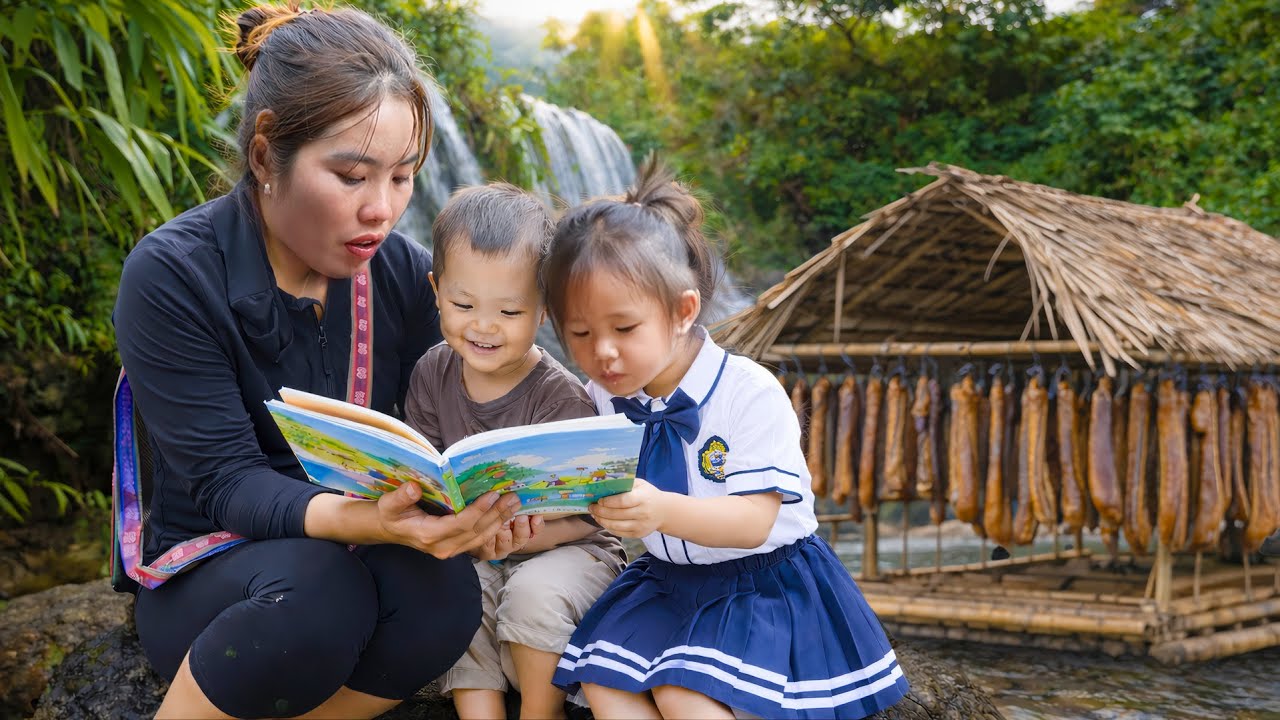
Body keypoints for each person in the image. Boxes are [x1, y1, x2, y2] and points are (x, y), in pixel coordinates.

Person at [112, 5, 531, 718]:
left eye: (402, 177)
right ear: (264, 154)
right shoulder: (172, 275)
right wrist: (373, 523)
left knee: (445, 593)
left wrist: (496, 498)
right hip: (214, 568)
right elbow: (224, 483)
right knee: (319, 590)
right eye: (351, 176)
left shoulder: (402, 274)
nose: (382, 209)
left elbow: (467, 407)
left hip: (349, 546)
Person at [541, 157, 912, 720]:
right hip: (669, 584)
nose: (603, 353)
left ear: (683, 311)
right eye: (581, 334)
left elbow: (754, 522)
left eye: (624, 329)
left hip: (762, 586)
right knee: (605, 683)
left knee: (683, 694)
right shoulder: (599, 394)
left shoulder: (748, 392)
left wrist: (660, 509)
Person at [403, 183, 626, 720]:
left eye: (508, 310)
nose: (483, 326)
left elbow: (589, 517)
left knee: (534, 591)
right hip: (476, 546)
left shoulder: (560, 396)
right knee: (457, 593)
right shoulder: (432, 373)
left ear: (543, 310)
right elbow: (427, 474)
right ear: (436, 291)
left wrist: (526, 536)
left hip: (569, 550)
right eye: (463, 304)